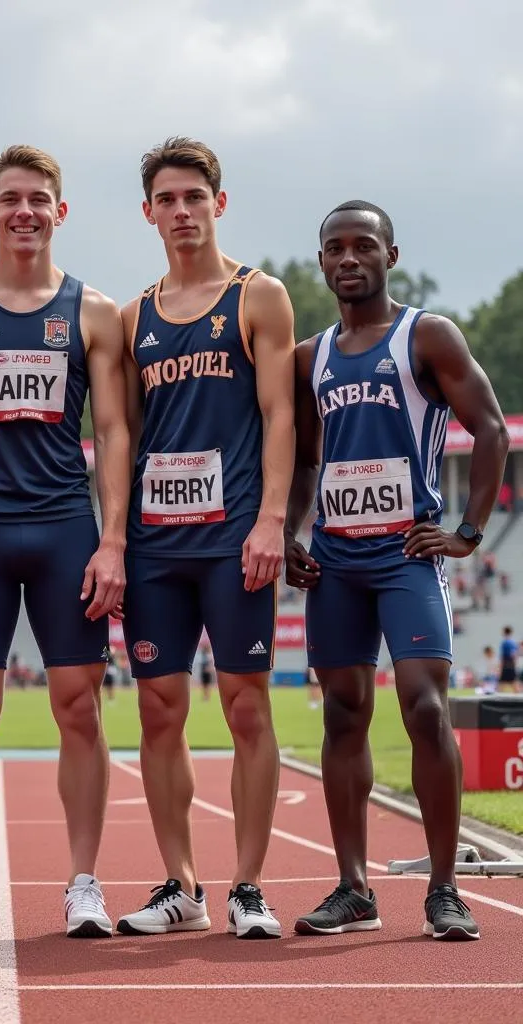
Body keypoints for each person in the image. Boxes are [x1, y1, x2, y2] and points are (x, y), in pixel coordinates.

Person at [0, 145, 130, 939]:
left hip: (65, 525)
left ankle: (84, 882)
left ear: (60, 212)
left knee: (80, 707)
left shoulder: (93, 312)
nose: (25, 212)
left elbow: (111, 431)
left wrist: (112, 542)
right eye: (11, 199)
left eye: (39, 199)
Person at [285, 201, 509, 941]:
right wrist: (293, 531)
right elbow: (306, 458)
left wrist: (468, 531)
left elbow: (490, 428)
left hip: (405, 553)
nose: (349, 259)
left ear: (391, 254)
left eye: (364, 246)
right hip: (338, 560)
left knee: (424, 707)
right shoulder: (308, 356)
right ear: (321, 262)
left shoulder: (427, 335)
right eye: (335, 248)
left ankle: (445, 887)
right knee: (345, 713)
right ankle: (354, 887)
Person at [115, 137, 296, 940]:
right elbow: (120, 434)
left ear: (218, 204)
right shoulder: (133, 318)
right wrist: (115, 540)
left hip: (234, 537)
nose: (182, 211)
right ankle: (179, 884)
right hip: (157, 543)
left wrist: (270, 521)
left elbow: (281, 415)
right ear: (148, 212)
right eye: (167, 199)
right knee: (160, 709)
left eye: (195, 197)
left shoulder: (259, 297)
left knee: (245, 705)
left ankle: (248, 885)